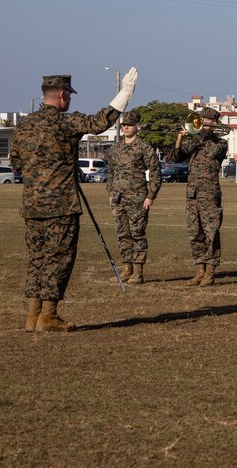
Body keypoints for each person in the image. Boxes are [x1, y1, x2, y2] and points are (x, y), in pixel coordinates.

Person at [11, 69, 137, 332]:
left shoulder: (24, 124)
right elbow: (99, 122)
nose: (69, 101)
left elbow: (16, 162)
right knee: (58, 259)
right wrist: (124, 94)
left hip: (32, 205)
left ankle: (33, 314)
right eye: (68, 95)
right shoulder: (64, 122)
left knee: (37, 258)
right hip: (60, 205)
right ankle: (48, 316)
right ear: (62, 95)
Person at [172, 106, 229, 287]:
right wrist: (180, 139)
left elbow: (213, 152)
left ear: (214, 124)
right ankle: (200, 269)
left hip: (209, 194)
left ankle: (211, 271)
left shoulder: (220, 143)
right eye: (201, 120)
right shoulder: (194, 142)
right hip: (192, 194)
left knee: (210, 232)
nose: (203, 124)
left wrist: (204, 135)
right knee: (194, 232)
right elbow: (176, 157)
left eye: (207, 121)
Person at [105, 109, 160, 285]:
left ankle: (138, 271)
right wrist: (110, 192)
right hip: (118, 198)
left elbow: (155, 172)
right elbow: (111, 172)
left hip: (137, 197)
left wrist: (150, 195)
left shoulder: (144, 147)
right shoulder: (115, 148)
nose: (126, 128)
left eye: (129, 125)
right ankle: (126, 268)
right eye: (124, 125)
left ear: (137, 126)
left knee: (137, 234)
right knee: (122, 234)